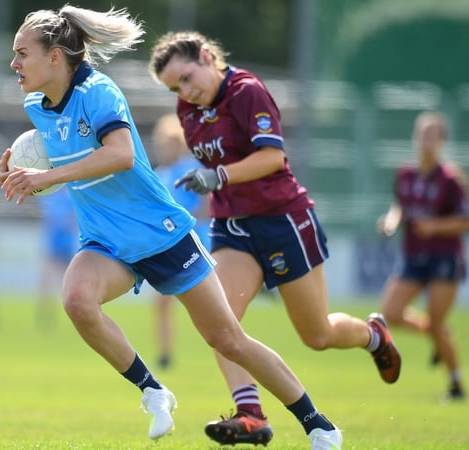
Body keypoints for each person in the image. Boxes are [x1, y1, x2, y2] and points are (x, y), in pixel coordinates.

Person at [0, 6, 342, 448]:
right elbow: (56, 160)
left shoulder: (99, 92)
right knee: (78, 302)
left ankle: (318, 425)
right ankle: (154, 390)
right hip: (105, 241)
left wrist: (46, 178)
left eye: (22, 53)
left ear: (55, 56)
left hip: (161, 234)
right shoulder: (35, 107)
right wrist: (10, 174)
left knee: (228, 339)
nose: (15, 64)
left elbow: (119, 154)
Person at [148, 30, 402, 446]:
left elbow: (272, 157)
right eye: (177, 87)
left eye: (189, 78)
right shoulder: (187, 108)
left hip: (282, 221)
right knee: (220, 323)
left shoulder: (247, 92)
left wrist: (219, 176)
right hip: (233, 225)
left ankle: (373, 335)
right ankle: (251, 414)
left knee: (317, 335)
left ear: (208, 57)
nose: (186, 91)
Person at [377, 111, 468, 401]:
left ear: (441, 141)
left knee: (436, 321)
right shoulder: (405, 173)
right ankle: (438, 337)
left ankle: (455, 384)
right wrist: (391, 222)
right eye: (422, 134)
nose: (426, 141)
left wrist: (435, 226)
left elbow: (465, 220)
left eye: (433, 136)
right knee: (390, 313)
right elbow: (400, 206)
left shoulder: (451, 179)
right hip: (413, 255)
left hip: (444, 258)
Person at [150, 113, 211, 369]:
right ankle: (165, 354)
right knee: (162, 303)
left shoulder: (192, 169)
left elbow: (208, 206)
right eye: (165, 141)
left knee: (207, 305)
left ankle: (224, 347)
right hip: (169, 248)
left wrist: (183, 224)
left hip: (197, 243)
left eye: (173, 141)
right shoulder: (159, 174)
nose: (168, 146)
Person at [35, 186, 78, 328]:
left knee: (69, 283)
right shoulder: (50, 197)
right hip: (53, 244)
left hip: (67, 244)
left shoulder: (71, 197)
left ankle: (75, 313)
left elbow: (74, 221)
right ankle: (46, 313)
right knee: (47, 280)